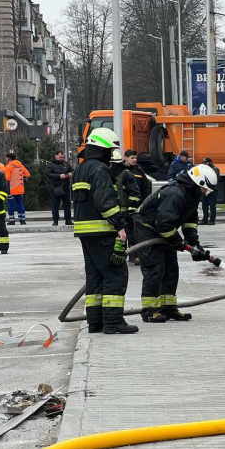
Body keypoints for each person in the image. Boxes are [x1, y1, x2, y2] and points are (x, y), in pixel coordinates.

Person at [72, 127, 138, 335]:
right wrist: (120, 224)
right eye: (110, 151)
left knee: (95, 276)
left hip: (85, 233)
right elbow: (105, 201)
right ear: (102, 150)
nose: (112, 155)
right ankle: (113, 321)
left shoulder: (81, 169)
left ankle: (95, 322)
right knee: (115, 273)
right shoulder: (99, 170)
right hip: (101, 231)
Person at [135, 164, 217, 324]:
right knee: (155, 268)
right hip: (148, 229)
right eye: (204, 189)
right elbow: (163, 223)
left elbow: (190, 220)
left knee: (171, 269)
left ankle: (168, 308)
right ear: (196, 183)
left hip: (164, 229)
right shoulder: (176, 194)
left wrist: (194, 244)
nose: (205, 193)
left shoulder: (191, 196)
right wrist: (178, 243)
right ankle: (150, 311)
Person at [125, 149, 152, 263]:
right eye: (132, 158)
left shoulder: (139, 171)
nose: (134, 160)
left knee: (135, 231)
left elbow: (145, 188)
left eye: (135, 158)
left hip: (137, 206)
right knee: (126, 231)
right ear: (126, 158)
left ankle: (135, 255)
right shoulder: (121, 170)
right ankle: (127, 254)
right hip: (124, 206)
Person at [46, 151, 74, 226]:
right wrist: (59, 176)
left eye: (62, 157)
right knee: (55, 205)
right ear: (56, 156)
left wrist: (71, 174)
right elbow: (48, 174)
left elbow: (72, 170)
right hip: (56, 187)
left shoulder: (66, 164)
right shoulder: (51, 164)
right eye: (60, 157)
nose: (61, 159)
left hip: (65, 187)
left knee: (67, 204)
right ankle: (55, 220)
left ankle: (68, 219)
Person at [4, 153, 30, 225]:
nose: (6, 159)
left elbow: (7, 178)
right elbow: (27, 174)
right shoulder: (20, 166)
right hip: (20, 188)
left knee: (11, 205)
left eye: (6, 158)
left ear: (9, 158)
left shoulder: (8, 167)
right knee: (20, 204)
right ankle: (22, 220)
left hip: (12, 189)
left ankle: (12, 220)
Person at [200, 157, 220, 225]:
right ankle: (205, 219)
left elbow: (213, 179)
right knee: (204, 205)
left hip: (212, 190)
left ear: (208, 163)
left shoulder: (215, 169)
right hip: (205, 189)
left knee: (212, 206)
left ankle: (212, 220)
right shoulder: (205, 170)